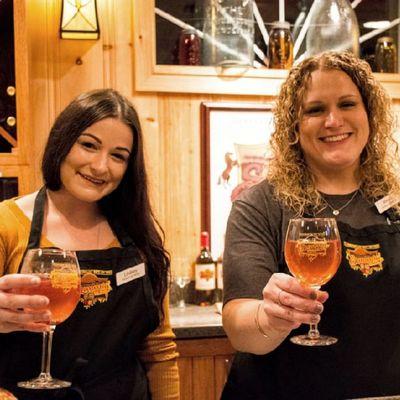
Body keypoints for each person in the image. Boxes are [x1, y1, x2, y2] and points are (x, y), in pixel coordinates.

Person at [221, 51, 400, 399]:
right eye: (315, 110)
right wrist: (268, 318)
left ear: (370, 116)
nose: (333, 120)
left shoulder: (396, 203)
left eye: (347, 104)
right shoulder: (260, 205)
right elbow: (239, 325)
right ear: (294, 126)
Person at [0, 89, 179, 400]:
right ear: (63, 141)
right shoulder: (7, 224)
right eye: (88, 145)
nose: (100, 166)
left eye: (118, 156)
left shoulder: (138, 238)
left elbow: (159, 349)